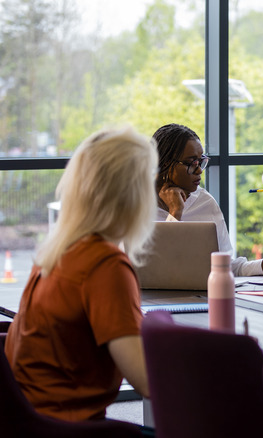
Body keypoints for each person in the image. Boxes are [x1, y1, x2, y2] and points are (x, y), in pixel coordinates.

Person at [4, 127, 154, 421]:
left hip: (28, 422)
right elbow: (147, 380)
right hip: (67, 427)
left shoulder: (56, 251)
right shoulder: (105, 265)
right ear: (133, 195)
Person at [154, 123, 263, 276]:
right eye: (191, 163)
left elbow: (224, 265)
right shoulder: (134, 206)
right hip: (149, 298)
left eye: (201, 162)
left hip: (200, 297)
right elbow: (155, 268)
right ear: (166, 164)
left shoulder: (205, 202)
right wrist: (175, 213)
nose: (199, 170)